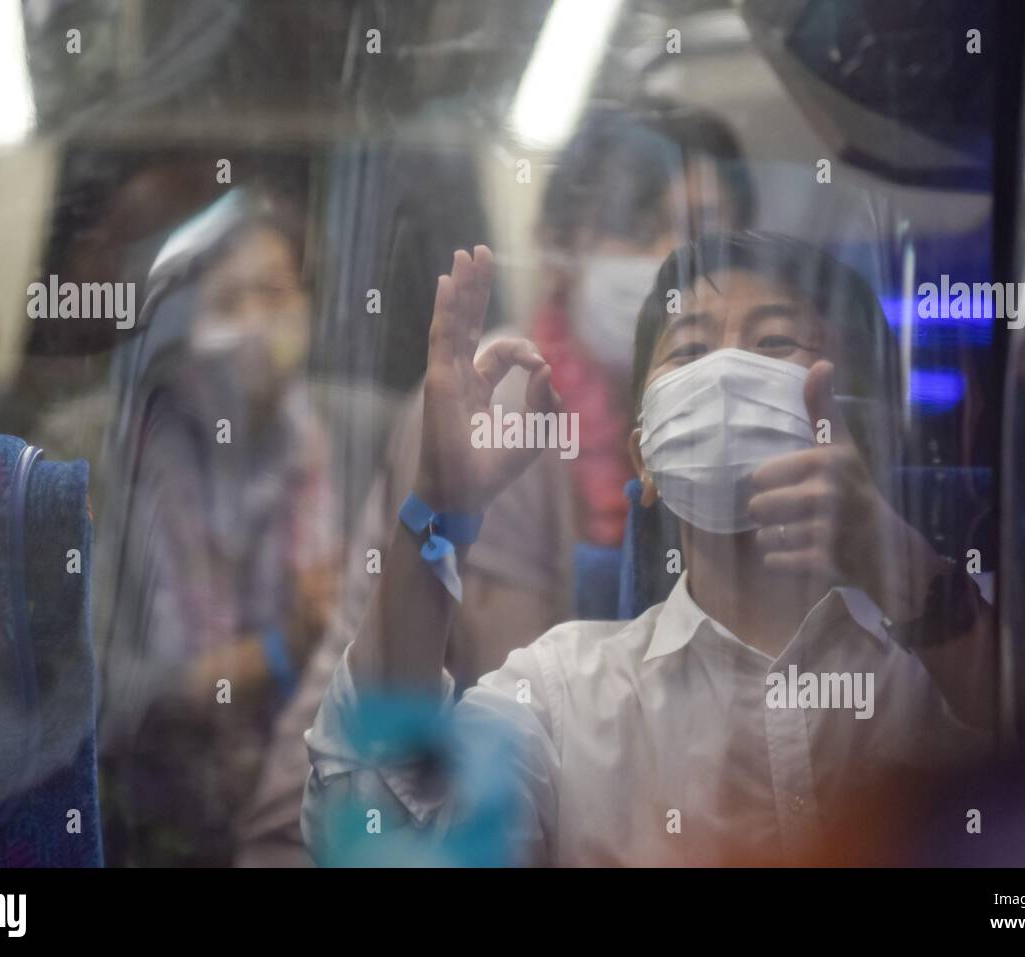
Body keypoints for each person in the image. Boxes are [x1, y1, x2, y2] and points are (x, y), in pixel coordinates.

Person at [301, 234, 996, 866]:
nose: (725, 371)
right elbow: (372, 826)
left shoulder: (955, 660)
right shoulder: (561, 696)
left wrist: (902, 574)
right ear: (645, 459)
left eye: (776, 340)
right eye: (690, 351)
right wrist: (438, 511)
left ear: (859, 425)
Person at [234, 104, 753, 865]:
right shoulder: (507, 403)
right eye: (644, 228)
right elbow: (534, 733)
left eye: (706, 236)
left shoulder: (692, 432)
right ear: (563, 246)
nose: (678, 259)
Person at [96, 193, 341, 866]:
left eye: (273, 292)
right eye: (227, 302)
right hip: (155, 828)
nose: (255, 320)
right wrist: (284, 648)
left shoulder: (352, 439)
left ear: (309, 303)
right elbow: (120, 699)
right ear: (186, 325)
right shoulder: (124, 460)